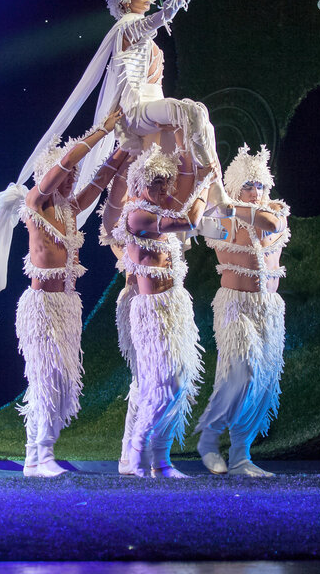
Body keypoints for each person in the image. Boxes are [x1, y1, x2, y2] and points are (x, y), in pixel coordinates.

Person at [16, 109, 129, 476]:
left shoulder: (69, 209)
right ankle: (40, 455)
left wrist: (126, 149)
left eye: (72, 177)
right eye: (65, 176)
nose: (70, 180)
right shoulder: (35, 202)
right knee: (46, 377)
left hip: (67, 304)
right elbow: (65, 162)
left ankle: (37, 456)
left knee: (62, 380)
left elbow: (101, 179)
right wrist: (102, 131)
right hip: (42, 306)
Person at [96, 0, 234, 217]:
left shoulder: (145, 38)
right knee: (190, 110)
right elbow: (166, 13)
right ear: (124, 2)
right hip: (137, 110)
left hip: (153, 107)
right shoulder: (128, 26)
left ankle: (212, 192)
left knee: (201, 115)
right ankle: (211, 183)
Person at [194, 144, 290, 477]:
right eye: (247, 185)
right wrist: (209, 193)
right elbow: (194, 223)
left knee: (261, 381)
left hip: (269, 310)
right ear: (235, 187)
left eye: (260, 185)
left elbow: (270, 222)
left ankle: (240, 456)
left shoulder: (275, 213)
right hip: (235, 305)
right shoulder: (221, 221)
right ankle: (208, 441)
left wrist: (228, 203)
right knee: (241, 372)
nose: (255, 192)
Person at [111, 144, 206, 477]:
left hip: (174, 307)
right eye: (156, 183)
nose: (164, 188)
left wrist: (193, 161)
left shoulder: (157, 210)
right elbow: (190, 219)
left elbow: (185, 199)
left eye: (166, 182)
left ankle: (160, 461)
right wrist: (206, 184)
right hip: (152, 314)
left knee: (178, 383)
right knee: (162, 384)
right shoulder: (138, 215)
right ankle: (136, 451)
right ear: (140, 184)